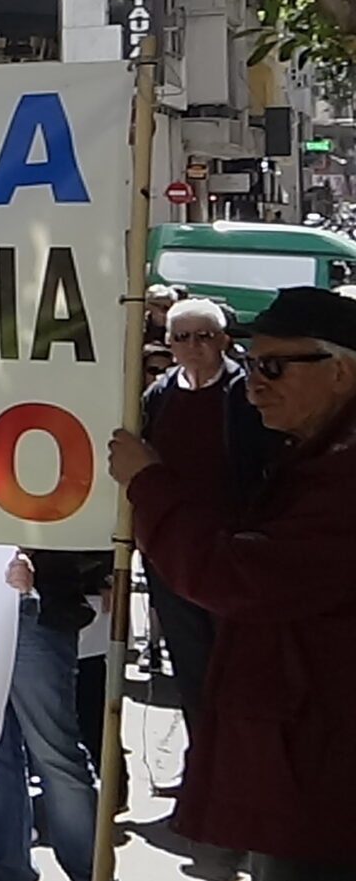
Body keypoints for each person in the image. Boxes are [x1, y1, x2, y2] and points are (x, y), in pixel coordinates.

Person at [110, 286, 356, 881]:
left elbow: (241, 578)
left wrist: (148, 485)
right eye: (251, 363)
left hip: (323, 774)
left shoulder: (344, 476)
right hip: (305, 763)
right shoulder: (313, 453)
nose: (254, 382)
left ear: (340, 371)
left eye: (273, 366)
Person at [140, 297, 279, 718]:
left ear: (222, 340)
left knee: (236, 667)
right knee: (191, 669)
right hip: (171, 554)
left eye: (204, 336)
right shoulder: (157, 396)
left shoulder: (248, 393)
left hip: (231, 552)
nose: (193, 345)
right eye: (182, 337)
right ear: (169, 343)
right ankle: (200, 750)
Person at [0, 549, 107, 881]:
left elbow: (88, 533)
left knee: (54, 753)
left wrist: (35, 557)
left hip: (38, 607)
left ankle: (89, 873)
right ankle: (10, 873)